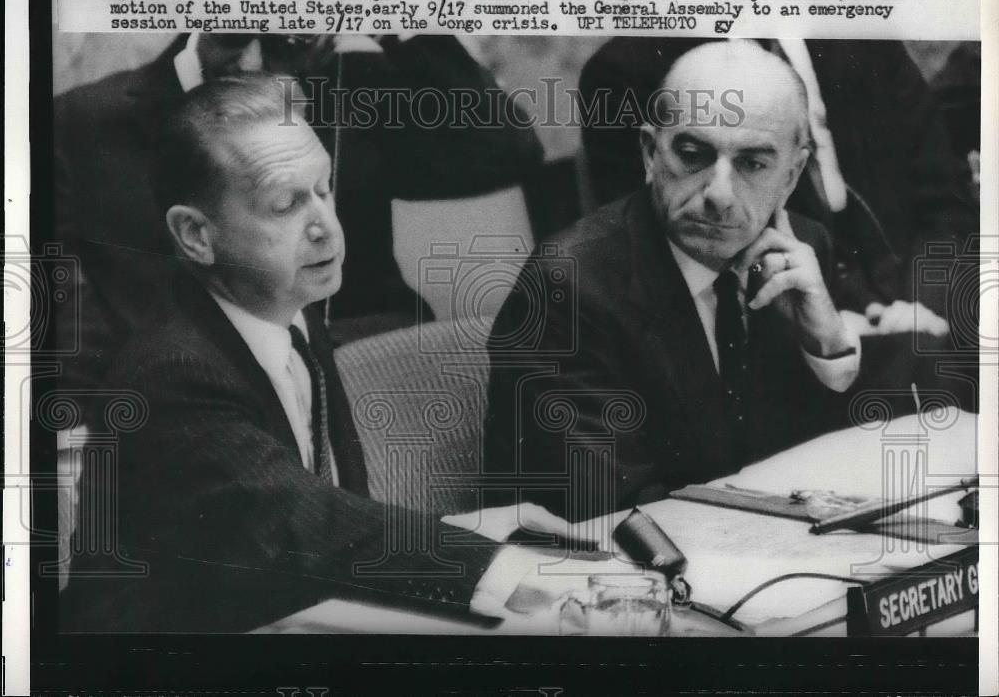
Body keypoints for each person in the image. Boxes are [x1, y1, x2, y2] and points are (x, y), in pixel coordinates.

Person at [58, 74, 624, 633]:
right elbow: (305, 524)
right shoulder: (174, 371)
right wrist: (496, 567)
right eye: (285, 206)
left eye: (324, 190)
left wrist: (465, 532)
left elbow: (315, 522)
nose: (327, 229)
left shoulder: (291, 308)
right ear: (195, 236)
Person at [484, 42, 863, 521]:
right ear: (650, 153)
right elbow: (617, 515)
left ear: (790, 176)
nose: (719, 196)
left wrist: (825, 344)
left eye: (752, 164)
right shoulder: (568, 288)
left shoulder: (801, 252)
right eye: (693, 155)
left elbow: (837, 465)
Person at [53, 32, 544, 390]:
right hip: (187, 396)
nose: (256, 63)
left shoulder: (354, 88)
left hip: (363, 369)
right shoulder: (86, 119)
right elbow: (68, 308)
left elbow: (504, 153)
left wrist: (398, 18)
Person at [577, 37, 978, 321]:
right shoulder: (627, 69)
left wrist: (923, 306)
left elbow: (945, 198)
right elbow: (661, 258)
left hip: (918, 295)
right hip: (774, 328)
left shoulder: (864, 38)